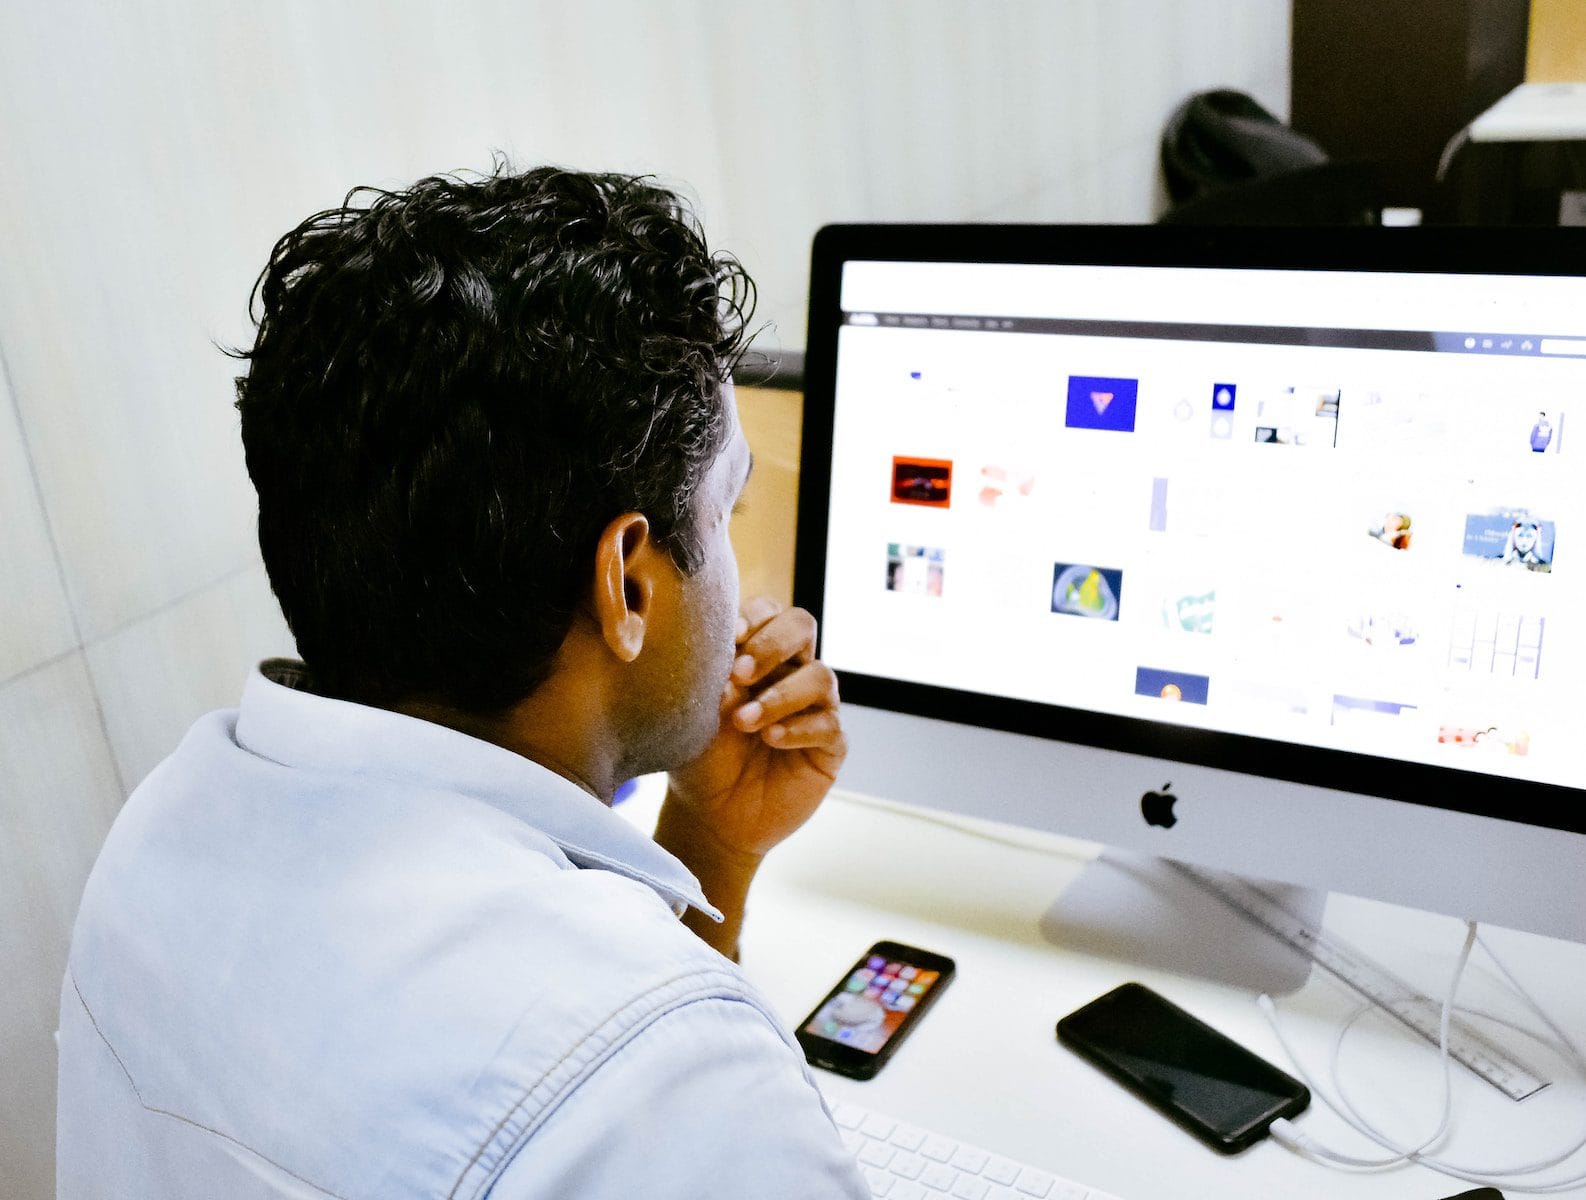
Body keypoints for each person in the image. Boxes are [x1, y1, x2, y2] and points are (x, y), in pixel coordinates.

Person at [56, 166, 869, 1199]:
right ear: (626, 581)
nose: (738, 578)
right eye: (723, 517)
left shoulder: (158, 837)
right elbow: (622, 1075)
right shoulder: (671, 1075)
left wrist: (711, 844)